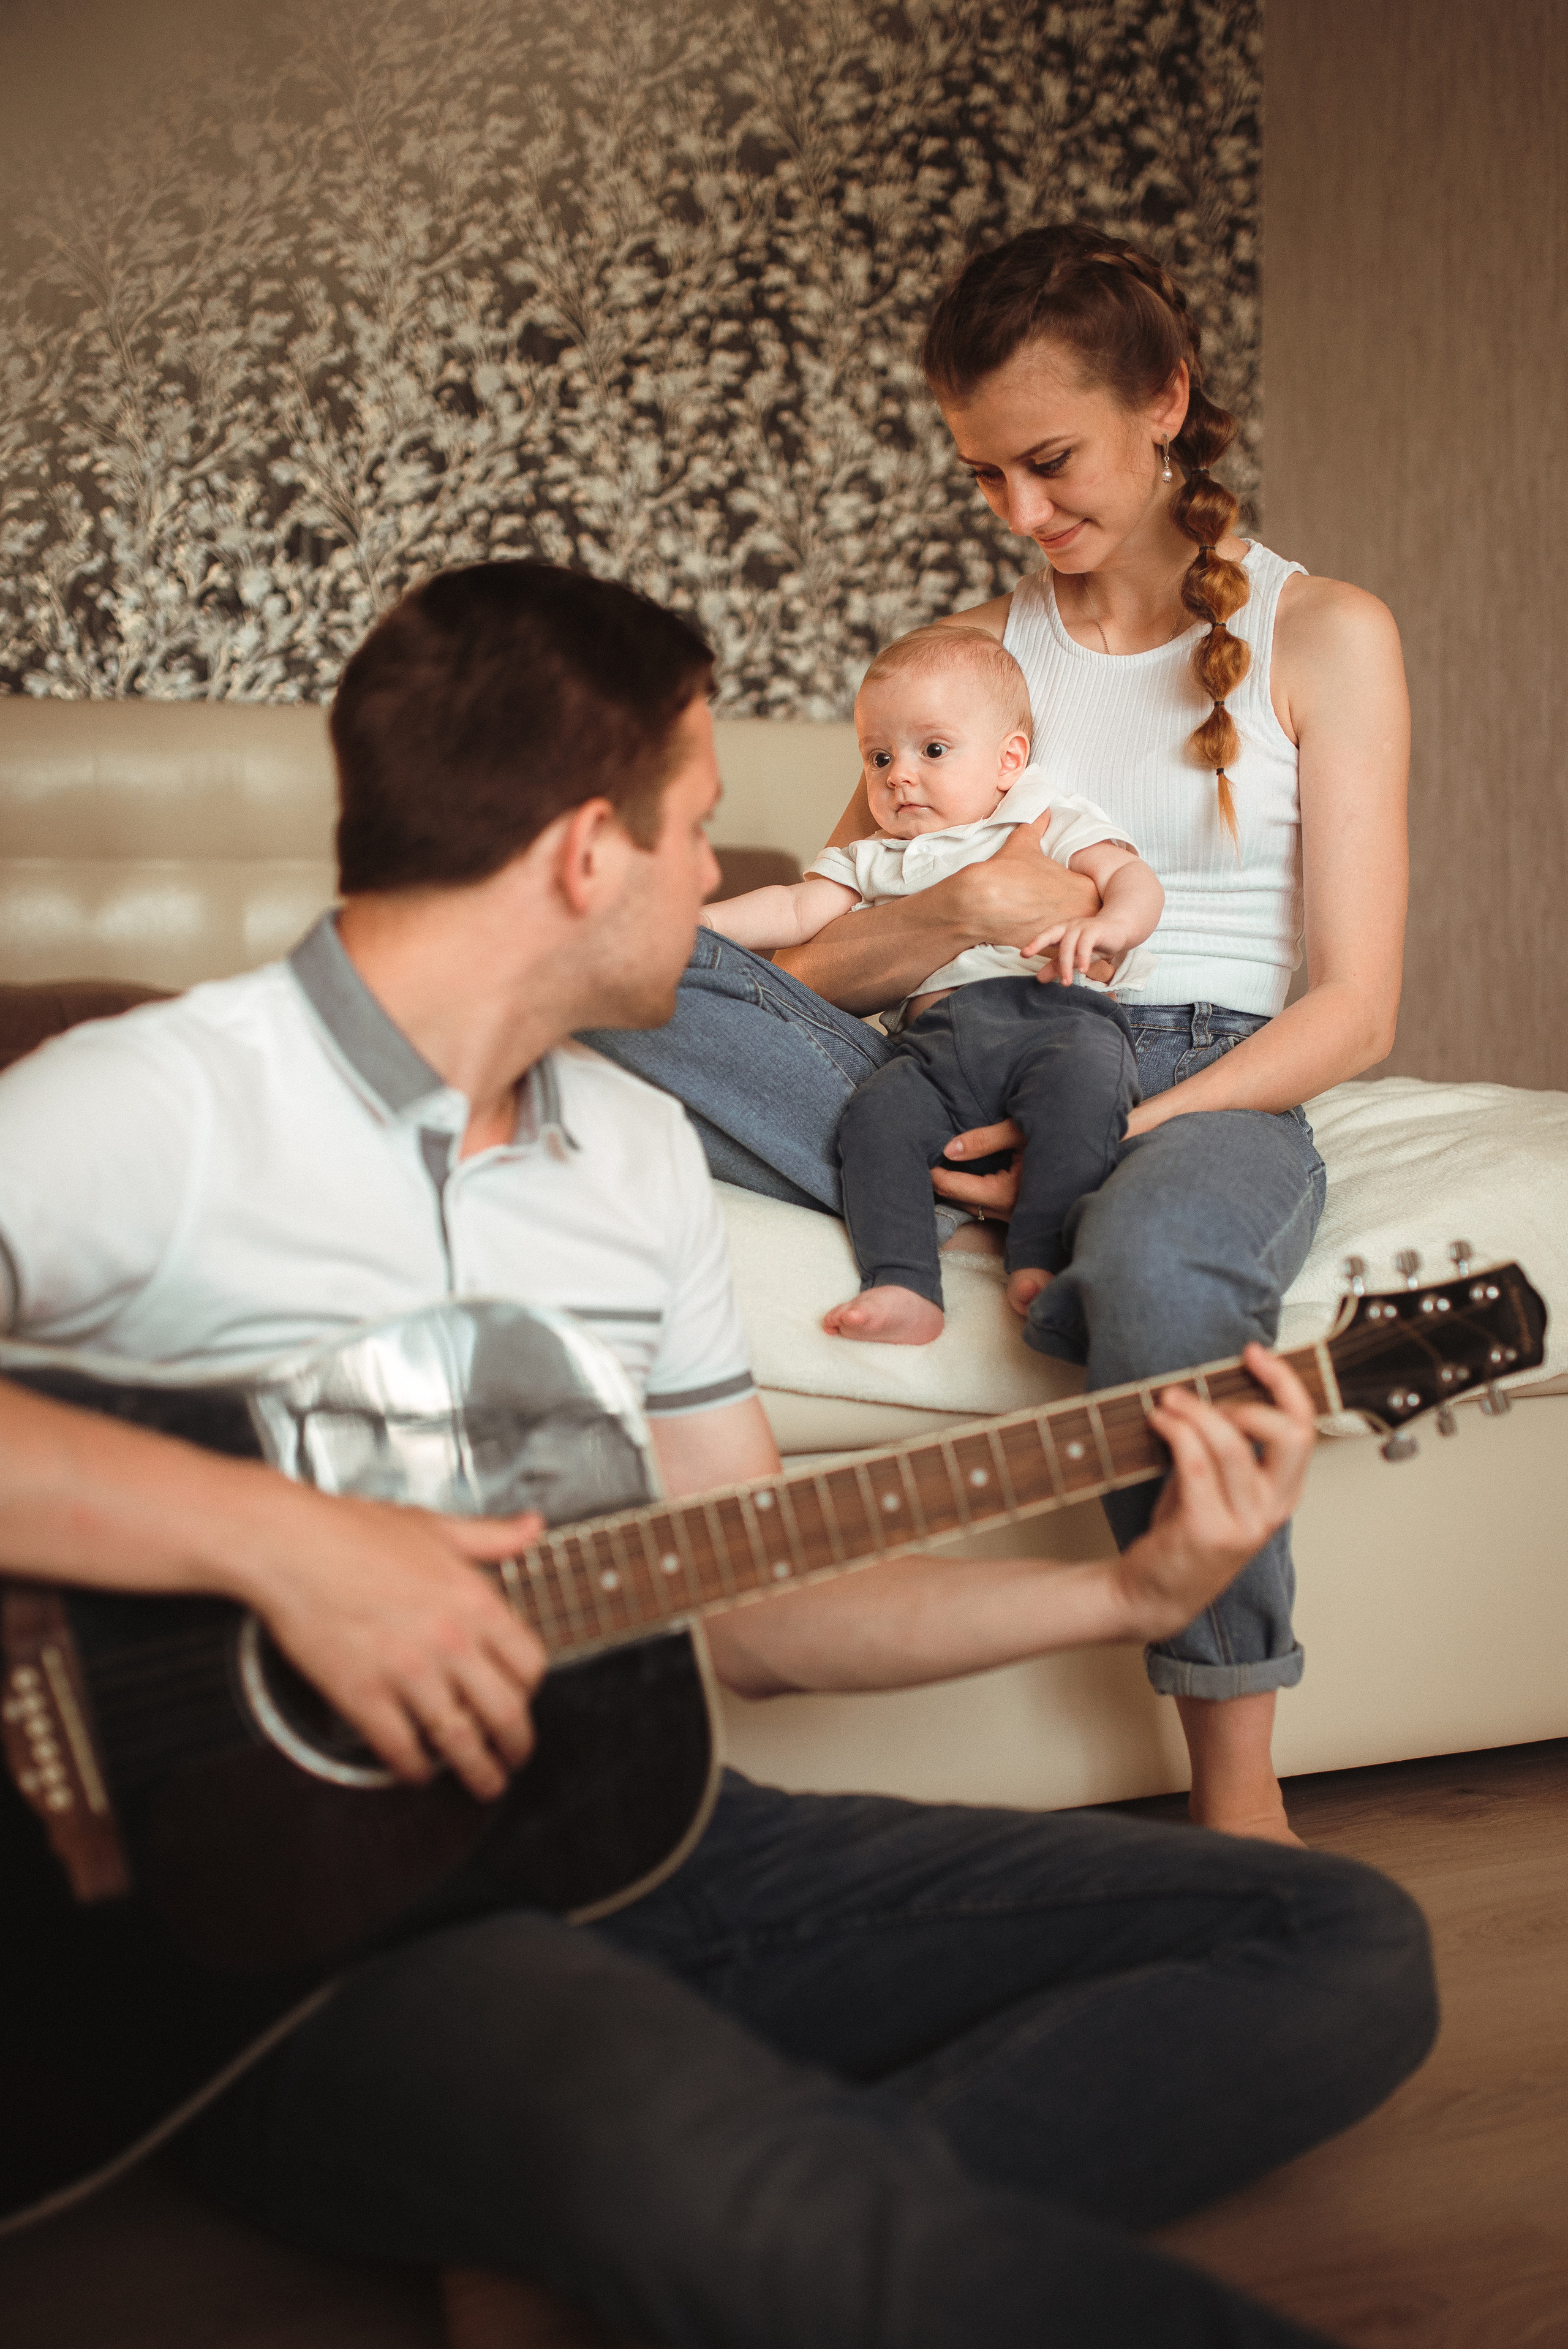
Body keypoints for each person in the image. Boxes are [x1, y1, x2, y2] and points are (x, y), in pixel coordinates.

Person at [0, 564, 1433, 2349]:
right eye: (691, 831)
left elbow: (750, 1602)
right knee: (742, 2181)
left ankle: (648, 2230)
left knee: (1335, 1945)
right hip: (292, 1932)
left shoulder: (628, 1155)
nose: (718, 871)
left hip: (636, 1835)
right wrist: (279, 1545)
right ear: (585, 855)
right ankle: (713, 2202)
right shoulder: (160, 1100)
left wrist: (1125, 1588)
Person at [586, 224, 1411, 1848]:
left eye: (1049, 464)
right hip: (956, 1051)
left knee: (1169, 1275)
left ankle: (1239, 1794)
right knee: (611, 965)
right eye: (987, 479)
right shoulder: (966, 668)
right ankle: (1021, 1219)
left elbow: (1356, 1010)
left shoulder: (1331, 637)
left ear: (1165, 400)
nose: (1023, 518)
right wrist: (966, 909)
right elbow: (819, 962)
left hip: (1208, 1083)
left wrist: (1114, 1147)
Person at [703, 624, 1164, 1343]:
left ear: (1009, 759)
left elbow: (1128, 877)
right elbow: (794, 909)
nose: (899, 776)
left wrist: (1117, 926)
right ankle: (903, 1283)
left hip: (1055, 1017)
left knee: (1081, 1104)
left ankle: (1039, 1257)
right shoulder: (881, 854)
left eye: (933, 750)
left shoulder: (1041, 814)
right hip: (933, 1047)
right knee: (875, 1122)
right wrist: (691, 926)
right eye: (879, 757)